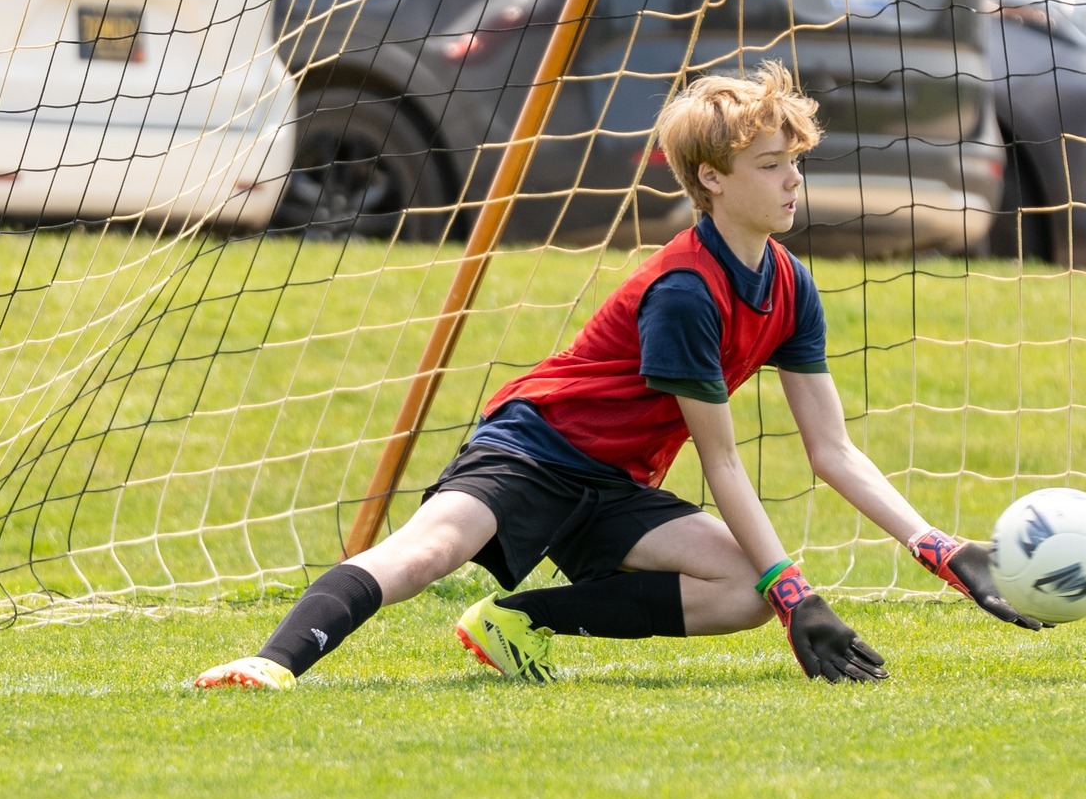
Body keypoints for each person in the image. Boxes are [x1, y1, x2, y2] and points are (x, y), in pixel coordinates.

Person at [194, 64, 1042, 692]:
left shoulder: (789, 281)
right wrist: (802, 595)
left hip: (616, 483)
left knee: (741, 592)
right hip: (534, 447)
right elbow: (725, 466)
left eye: (796, 161)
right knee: (428, 551)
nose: (794, 180)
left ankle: (517, 623)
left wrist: (940, 549)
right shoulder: (685, 291)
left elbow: (833, 451)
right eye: (773, 164)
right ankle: (270, 663)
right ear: (712, 178)